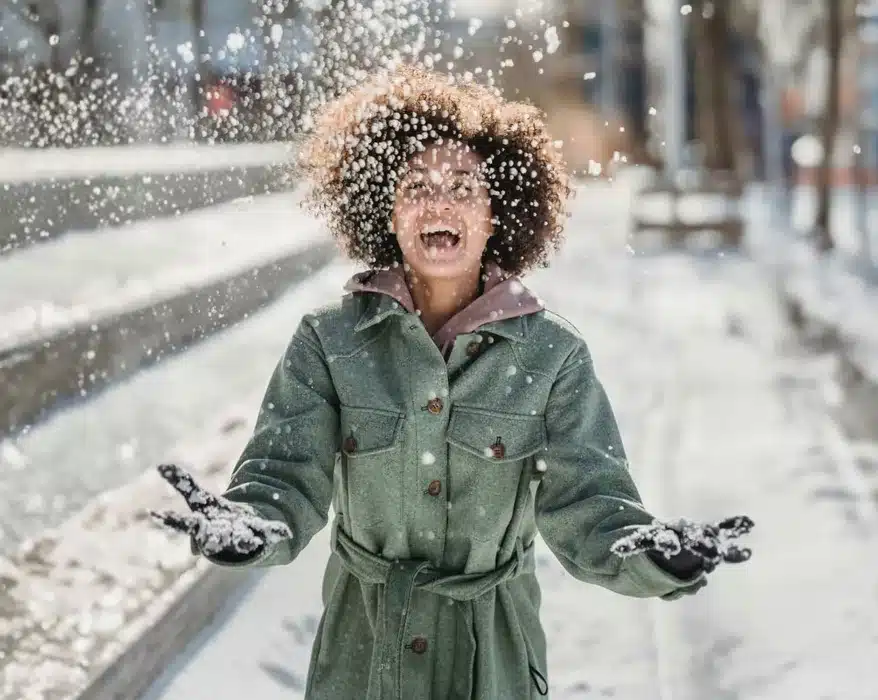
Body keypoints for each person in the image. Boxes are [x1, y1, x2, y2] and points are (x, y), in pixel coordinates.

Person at [151, 64, 753, 699]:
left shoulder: (554, 356)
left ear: (498, 216)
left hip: (492, 662)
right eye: (416, 186)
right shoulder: (327, 343)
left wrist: (653, 556)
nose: (439, 203)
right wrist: (252, 527)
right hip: (362, 662)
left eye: (463, 187)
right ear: (385, 210)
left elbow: (593, 510)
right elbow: (281, 479)